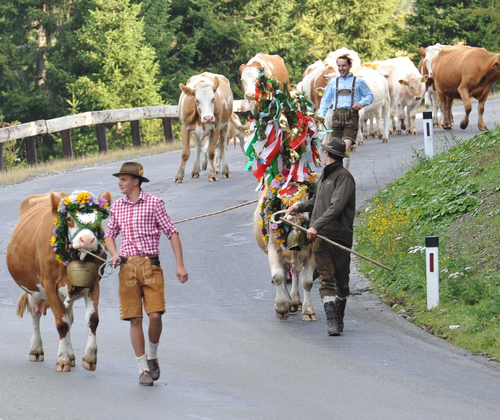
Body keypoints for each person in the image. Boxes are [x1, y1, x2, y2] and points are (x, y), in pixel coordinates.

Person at [105, 162, 188, 386]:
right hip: (127, 268)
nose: (120, 183)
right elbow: (109, 234)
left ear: (136, 182)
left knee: (155, 316)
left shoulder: (154, 203)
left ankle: (152, 355)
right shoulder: (117, 206)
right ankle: (143, 369)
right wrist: (114, 253)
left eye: (124, 180)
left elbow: (172, 232)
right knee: (135, 318)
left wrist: (180, 265)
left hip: (151, 266)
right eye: (119, 180)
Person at [288, 138, 355, 336]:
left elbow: (336, 207)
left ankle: (338, 317)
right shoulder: (324, 176)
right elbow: (316, 202)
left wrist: (315, 225)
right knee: (326, 278)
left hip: (339, 236)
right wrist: (299, 207)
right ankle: (332, 322)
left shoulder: (344, 178)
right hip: (320, 236)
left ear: (328, 154)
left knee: (342, 281)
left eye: (324, 152)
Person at [318, 55, 374, 159]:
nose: (341, 68)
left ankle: (342, 163)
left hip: (351, 116)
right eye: (339, 66)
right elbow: (325, 100)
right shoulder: (333, 83)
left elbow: (370, 96)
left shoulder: (358, 81)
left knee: (344, 146)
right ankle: (338, 166)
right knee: (333, 147)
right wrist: (321, 115)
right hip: (336, 116)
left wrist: (361, 103)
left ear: (349, 66)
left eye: (344, 66)